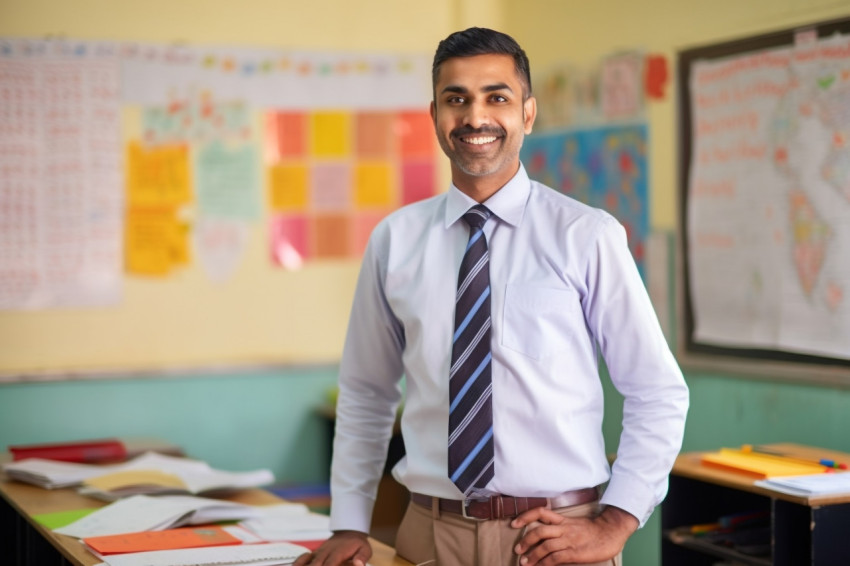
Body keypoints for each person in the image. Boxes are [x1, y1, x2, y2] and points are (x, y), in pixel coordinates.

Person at [294, 27, 688, 566]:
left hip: (556, 537)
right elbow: (366, 393)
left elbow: (657, 391)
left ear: (527, 114)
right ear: (435, 115)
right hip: (428, 534)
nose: (475, 118)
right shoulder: (395, 240)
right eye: (457, 99)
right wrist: (347, 523)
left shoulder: (586, 235)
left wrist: (617, 522)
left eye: (496, 97)